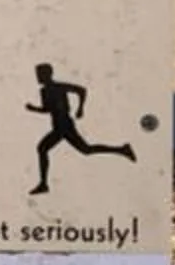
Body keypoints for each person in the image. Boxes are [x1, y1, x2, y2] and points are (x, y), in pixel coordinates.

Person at [27, 62, 137, 194]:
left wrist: (80, 108)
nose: (37, 77)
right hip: (59, 125)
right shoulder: (44, 91)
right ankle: (122, 150)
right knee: (86, 149)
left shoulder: (59, 87)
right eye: (37, 74)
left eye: (39, 74)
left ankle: (44, 184)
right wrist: (34, 109)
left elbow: (81, 90)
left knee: (43, 148)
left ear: (47, 74)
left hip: (64, 125)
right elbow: (48, 109)